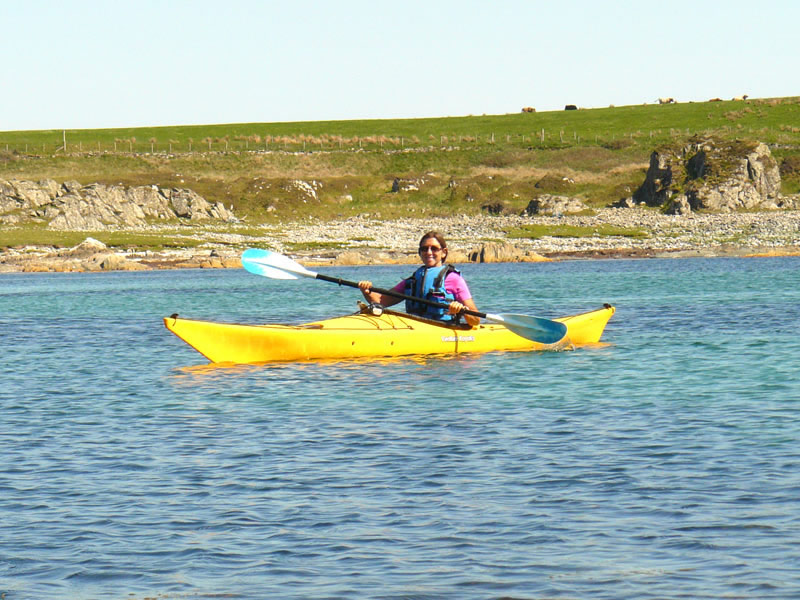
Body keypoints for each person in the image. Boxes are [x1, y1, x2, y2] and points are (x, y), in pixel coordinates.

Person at [358, 231, 480, 327]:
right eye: (424, 248)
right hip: (414, 328)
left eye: (434, 248)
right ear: (420, 252)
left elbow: (475, 320)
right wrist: (366, 291)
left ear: (443, 252)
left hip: (443, 328)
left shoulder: (453, 279)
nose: (429, 252)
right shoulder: (412, 281)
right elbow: (381, 301)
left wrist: (462, 310)